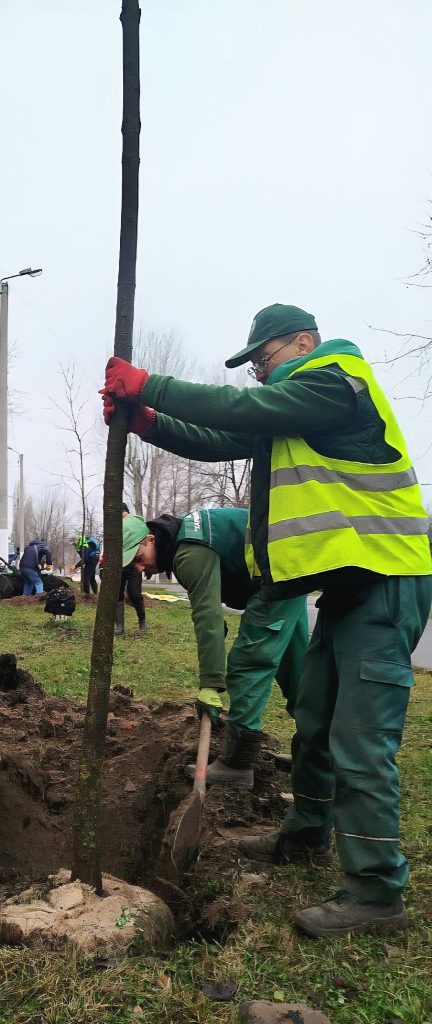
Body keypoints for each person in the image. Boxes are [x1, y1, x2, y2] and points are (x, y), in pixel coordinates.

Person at [102, 302, 432, 938]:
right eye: (253, 367)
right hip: (349, 586)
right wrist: (148, 422)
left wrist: (153, 385)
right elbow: (219, 436)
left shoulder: (337, 382)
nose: (258, 375)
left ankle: (375, 890)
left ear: (304, 341)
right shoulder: (295, 410)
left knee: (360, 742)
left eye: (263, 360)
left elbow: (242, 412)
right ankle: (306, 836)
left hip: (388, 581)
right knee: (313, 719)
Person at [121, 508, 307, 788]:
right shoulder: (186, 540)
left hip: (277, 576)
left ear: (150, 539)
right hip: (290, 566)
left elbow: (208, 617)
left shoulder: (189, 554)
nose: (139, 568)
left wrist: (211, 684)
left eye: (138, 559)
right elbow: (213, 620)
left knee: (248, 663)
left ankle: (238, 763)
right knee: (299, 672)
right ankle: (317, 755)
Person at [117, 503, 147, 635]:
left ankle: (143, 621)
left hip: (134, 564)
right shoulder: (119, 525)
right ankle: (119, 626)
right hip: (119, 565)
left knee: (134, 594)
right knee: (117, 594)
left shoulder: (133, 523)